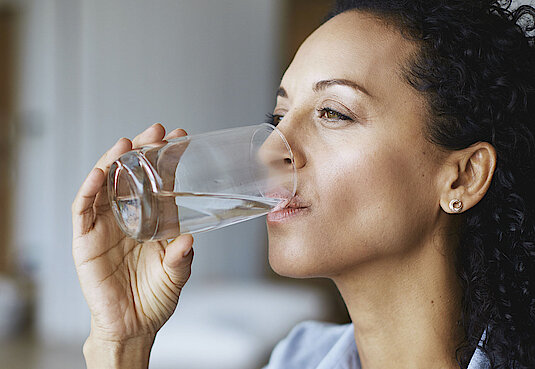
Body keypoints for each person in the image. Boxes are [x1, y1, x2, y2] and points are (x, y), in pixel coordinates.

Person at [72, 0, 535, 368]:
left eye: (332, 113)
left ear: (462, 176)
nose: (271, 151)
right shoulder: (298, 358)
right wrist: (121, 344)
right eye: (277, 117)